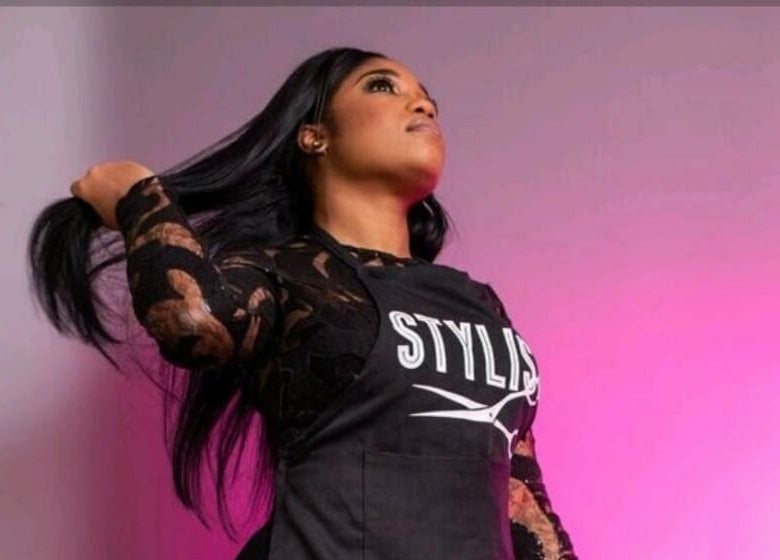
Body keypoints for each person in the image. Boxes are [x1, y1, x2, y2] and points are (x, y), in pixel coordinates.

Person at [28, 46, 577, 559]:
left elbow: (522, 493)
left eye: (428, 98)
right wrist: (139, 195)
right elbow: (193, 322)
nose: (424, 105)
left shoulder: (478, 303)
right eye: (383, 86)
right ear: (314, 136)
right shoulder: (284, 272)